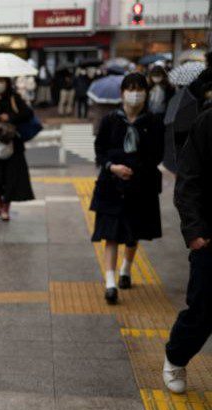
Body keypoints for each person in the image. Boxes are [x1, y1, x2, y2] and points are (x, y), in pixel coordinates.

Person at [89, 72, 164, 304]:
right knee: (110, 235)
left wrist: (136, 169)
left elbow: (157, 154)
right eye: (130, 88)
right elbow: (99, 149)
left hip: (141, 188)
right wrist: (113, 166)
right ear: (122, 93)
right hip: (111, 186)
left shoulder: (152, 122)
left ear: (146, 93)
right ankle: (110, 282)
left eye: (139, 89)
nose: (134, 93)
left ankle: (126, 269)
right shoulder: (110, 120)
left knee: (133, 234)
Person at [163, 83, 212, 393]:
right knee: (204, 309)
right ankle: (176, 357)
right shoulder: (207, 122)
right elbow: (188, 181)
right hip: (209, 236)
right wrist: (194, 231)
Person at [0, 76, 35, 221]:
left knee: (11, 179)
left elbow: (28, 114)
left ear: (7, 83)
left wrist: (9, 116)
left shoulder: (14, 98)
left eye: (1, 81)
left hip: (13, 145)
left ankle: (6, 207)